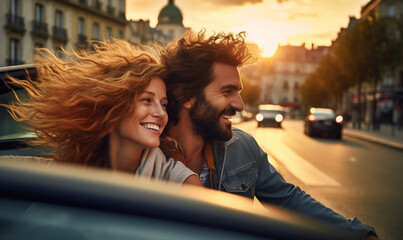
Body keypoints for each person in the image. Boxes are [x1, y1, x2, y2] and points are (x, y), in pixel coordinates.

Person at [159, 31, 379, 239]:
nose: (240, 105)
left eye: (239, 92)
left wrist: (359, 235)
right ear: (185, 96)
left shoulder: (243, 147)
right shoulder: (144, 154)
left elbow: (290, 201)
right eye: (227, 92)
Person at [5, 40, 201, 185]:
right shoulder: (68, 171)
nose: (160, 113)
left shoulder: (181, 182)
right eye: (147, 100)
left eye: (164, 104)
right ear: (113, 108)